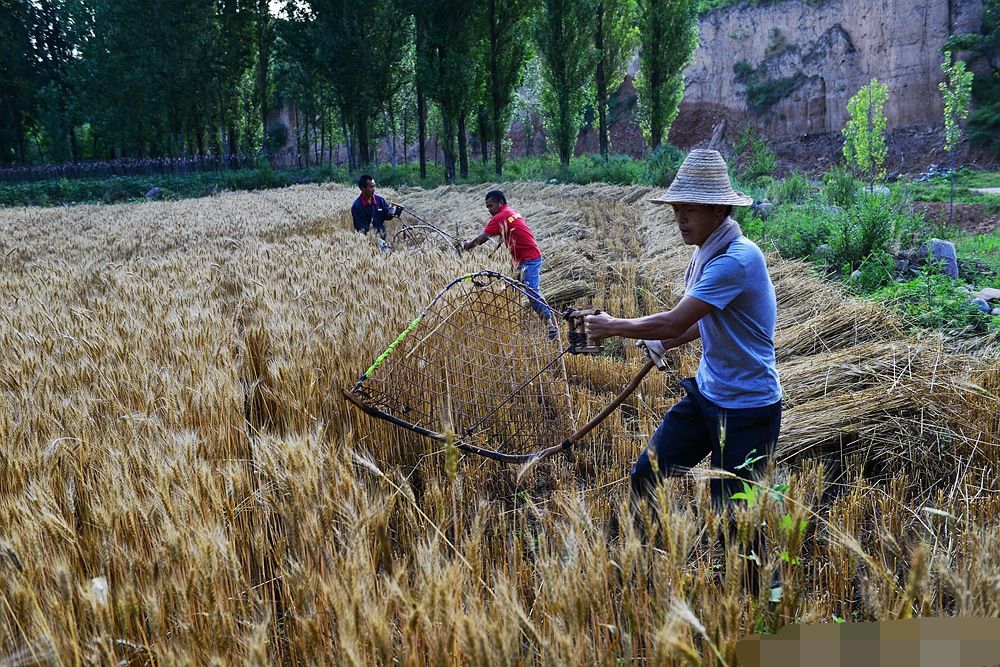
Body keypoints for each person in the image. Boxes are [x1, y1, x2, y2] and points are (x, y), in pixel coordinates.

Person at [585, 149, 782, 569]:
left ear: (717, 209)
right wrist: (665, 344)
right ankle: (645, 560)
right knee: (647, 474)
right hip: (708, 395)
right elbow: (702, 322)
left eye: (688, 209)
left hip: (748, 408)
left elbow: (676, 321)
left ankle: (764, 603)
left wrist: (612, 325)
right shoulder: (708, 251)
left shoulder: (736, 260)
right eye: (677, 209)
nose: (680, 218)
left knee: (736, 523)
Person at [461, 189, 558, 339]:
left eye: (491, 206)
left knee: (532, 292)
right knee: (512, 291)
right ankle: (511, 323)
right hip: (525, 258)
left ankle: (551, 326)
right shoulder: (511, 212)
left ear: (501, 202)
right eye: (487, 207)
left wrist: (468, 245)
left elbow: (482, 238)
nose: (489, 210)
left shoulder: (501, 216)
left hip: (529, 259)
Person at [351, 175, 398, 240]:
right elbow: (361, 228)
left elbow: (386, 216)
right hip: (366, 242)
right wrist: (374, 239)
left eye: (374, 186)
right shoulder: (357, 206)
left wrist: (391, 212)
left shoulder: (380, 200)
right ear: (362, 188)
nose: (374, 189)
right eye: (371, 187)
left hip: (382, 238)